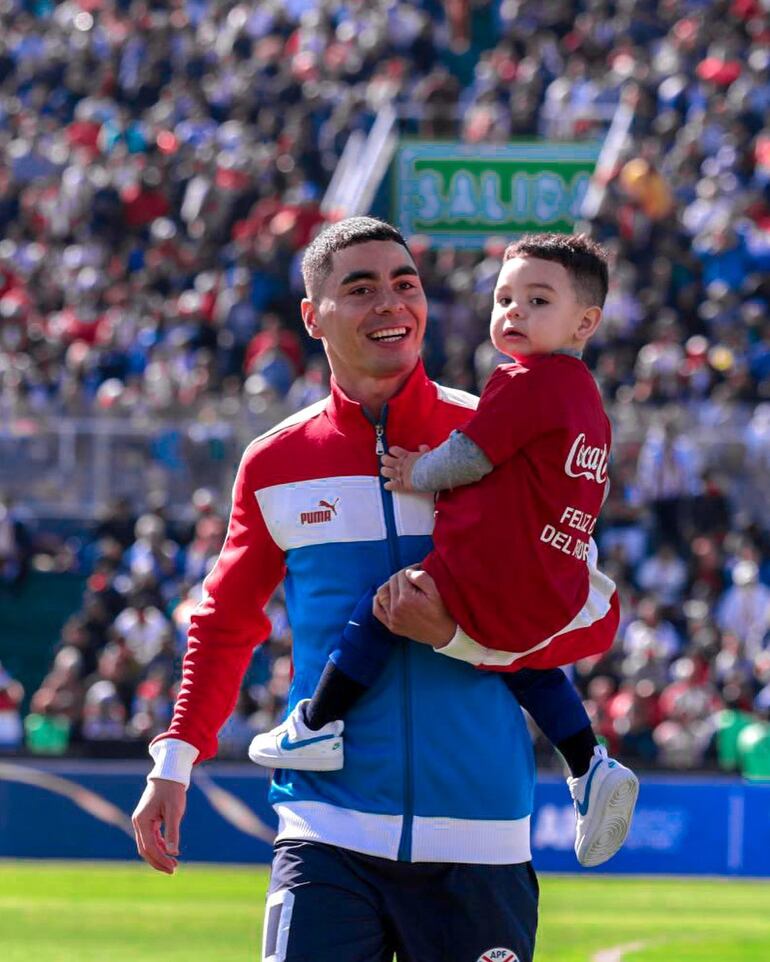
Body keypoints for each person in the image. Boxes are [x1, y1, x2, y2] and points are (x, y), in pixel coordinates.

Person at [132, 217, 541, 962]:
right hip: (326, 834)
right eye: (361, 289)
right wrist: (176, 759)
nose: (391, 304)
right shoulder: (275, 462)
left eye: (405, 285)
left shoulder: (495, 438)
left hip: (480, 835)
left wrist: (454, 630)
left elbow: (567, 609)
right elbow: (226, 620)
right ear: (312, 316)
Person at [249, 234, 639, 868]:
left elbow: (472, 452)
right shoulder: (586, 396)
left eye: (537, 301)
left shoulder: (524, 381)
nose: (513, 312)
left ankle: (316, 726)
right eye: (505, 297)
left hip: (499, 566)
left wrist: (416, 472)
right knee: (517, 659)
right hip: (556, 575)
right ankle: (588, 763)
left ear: (586, 322)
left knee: (385, 608)